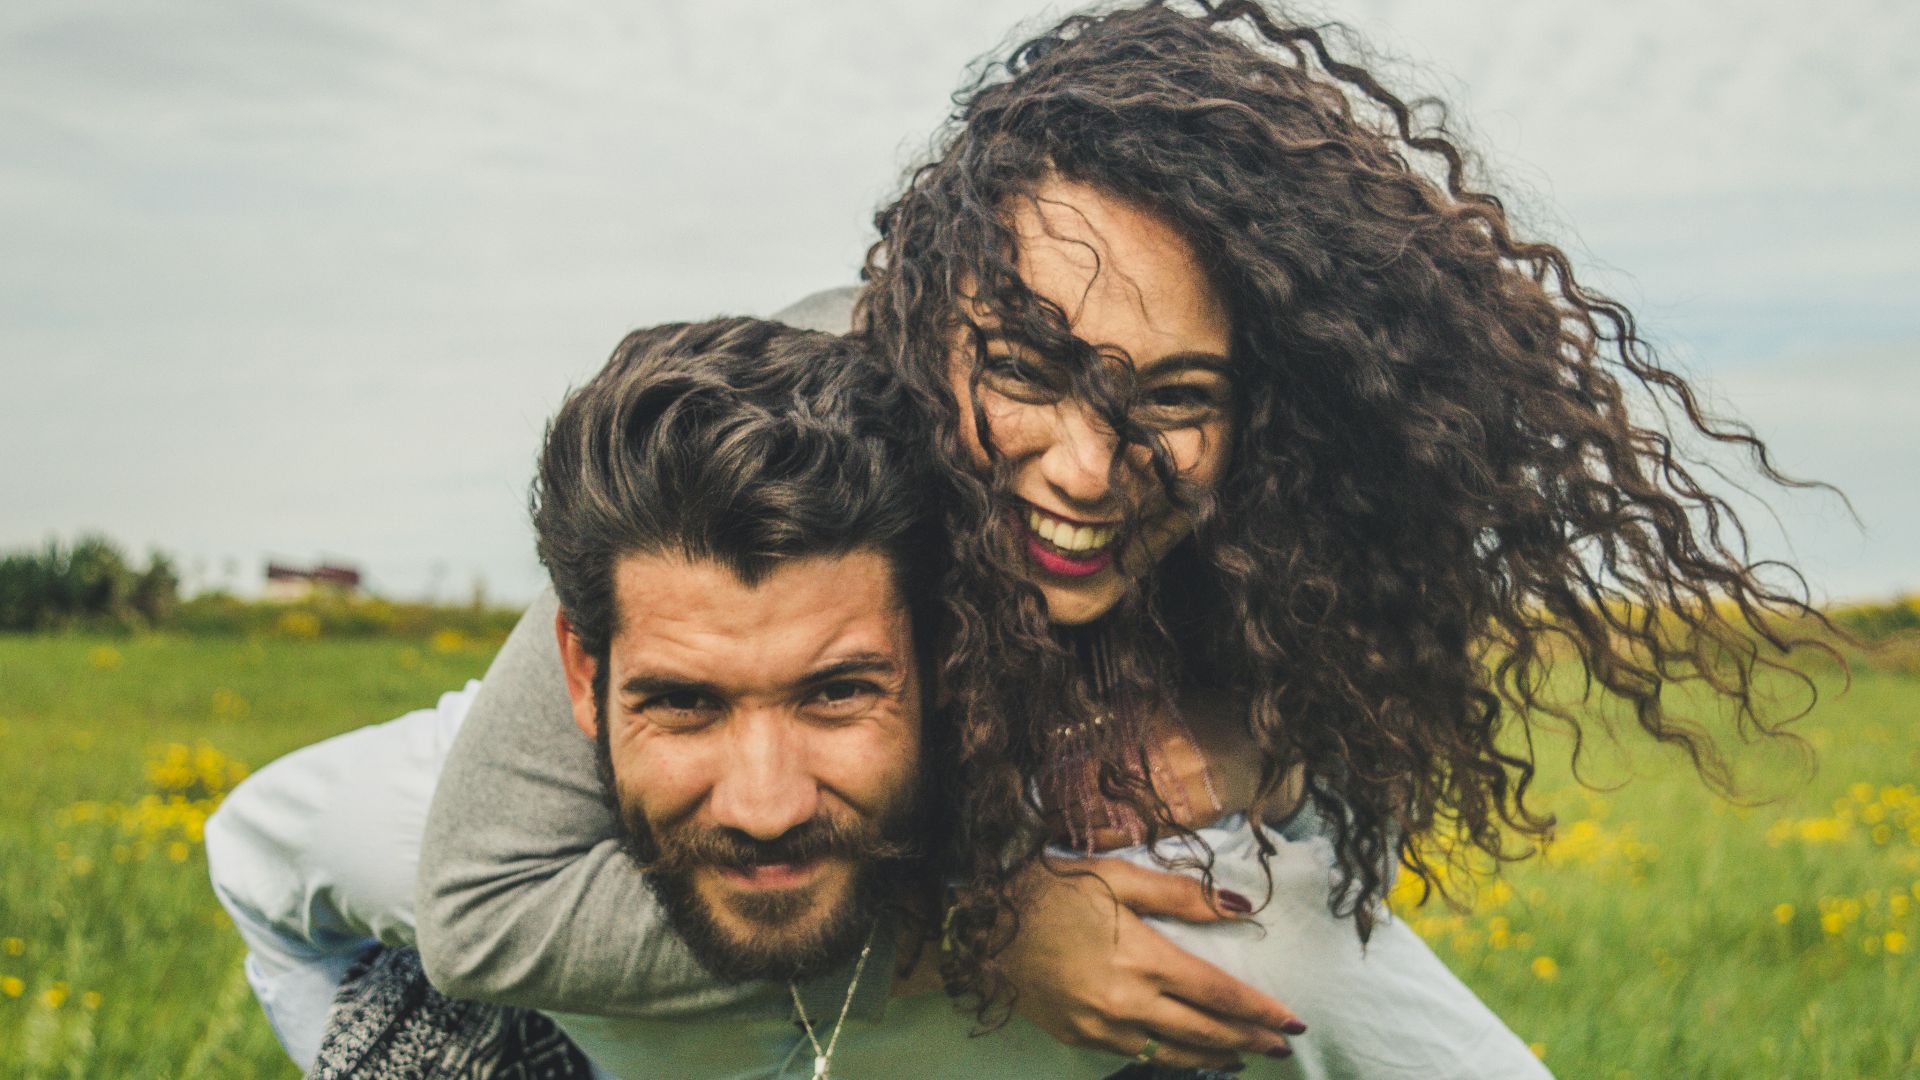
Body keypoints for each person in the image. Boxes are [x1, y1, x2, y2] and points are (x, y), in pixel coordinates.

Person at [220, 1, 1826, 1077]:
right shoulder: (800, 434)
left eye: (1174, 398)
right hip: (711, 854)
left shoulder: (1273, 526)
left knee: (1262, 950)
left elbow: (1320, 818)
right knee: (292, 835)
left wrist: (1240, 758)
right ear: (933, 323)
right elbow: (485, 902)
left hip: (938, 837)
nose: (1087, 470)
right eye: (1030, 371)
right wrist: (982, 928)